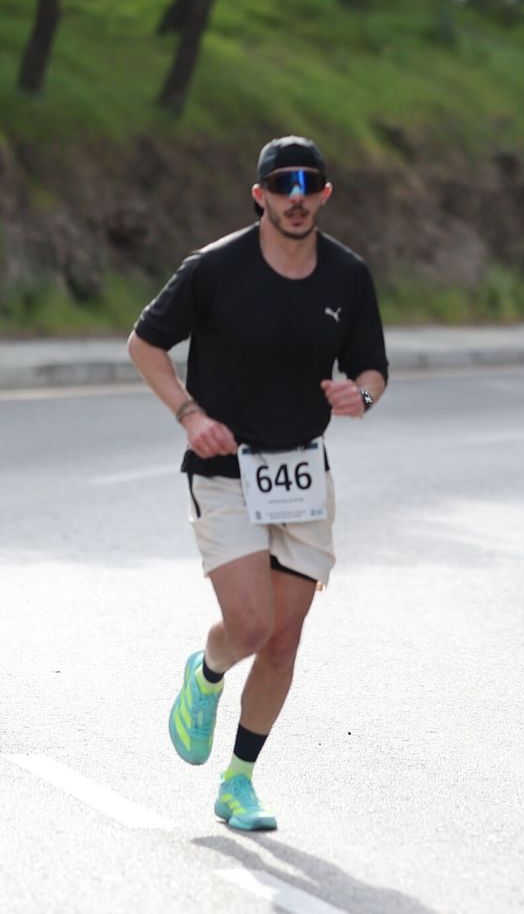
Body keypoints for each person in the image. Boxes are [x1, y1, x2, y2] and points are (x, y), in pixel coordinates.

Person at [126, 136, 388, 832]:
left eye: (309, 184)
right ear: (260, 195)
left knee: (282, 642)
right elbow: (144, 344)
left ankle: (239, 781)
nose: (296, 196)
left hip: (302, 471)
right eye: (282, 184)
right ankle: (207, 672)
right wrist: (188, 413)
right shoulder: (215, 269)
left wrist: (360, 396)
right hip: (225, 469)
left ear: (326, 195)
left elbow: (372, 367)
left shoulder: (348, 276)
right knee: (249, 625)